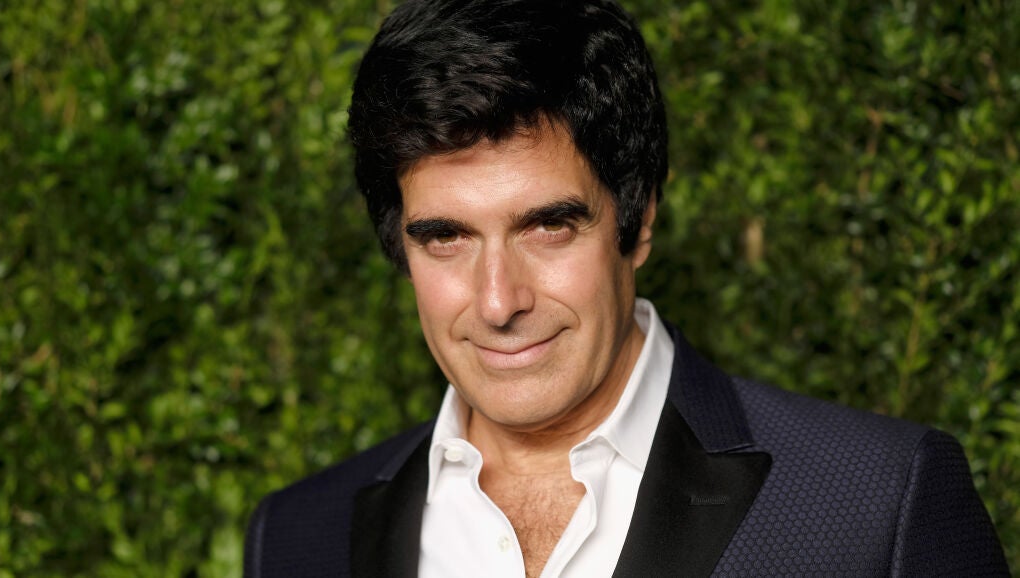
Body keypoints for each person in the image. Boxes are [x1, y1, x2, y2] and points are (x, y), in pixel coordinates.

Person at [243, 0, 1010, 576]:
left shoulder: (874, 508)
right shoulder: (298, 540)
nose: (499, 301)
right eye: (447, 237)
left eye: (548, 227)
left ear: (638, 222)